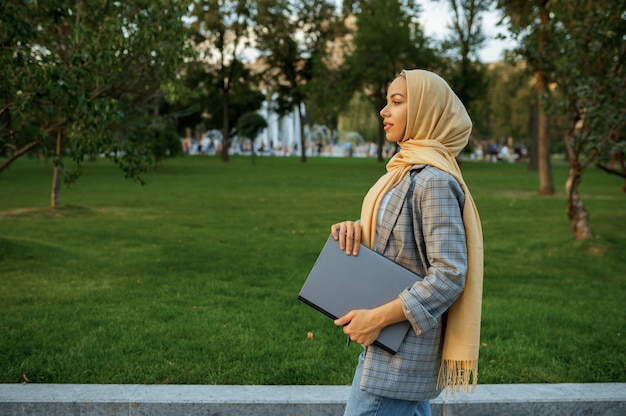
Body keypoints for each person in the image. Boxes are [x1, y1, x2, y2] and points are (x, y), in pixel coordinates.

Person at [330, 69, 483, 416]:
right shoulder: (404, 172)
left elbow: (449, 275)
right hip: (387, 348)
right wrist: (357, 227)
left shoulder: (433, 181)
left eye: (396, 102)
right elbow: (401, 236)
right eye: (387, 102)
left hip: (401, 353)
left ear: (427, 113)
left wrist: (377, 319)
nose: (384, 111)